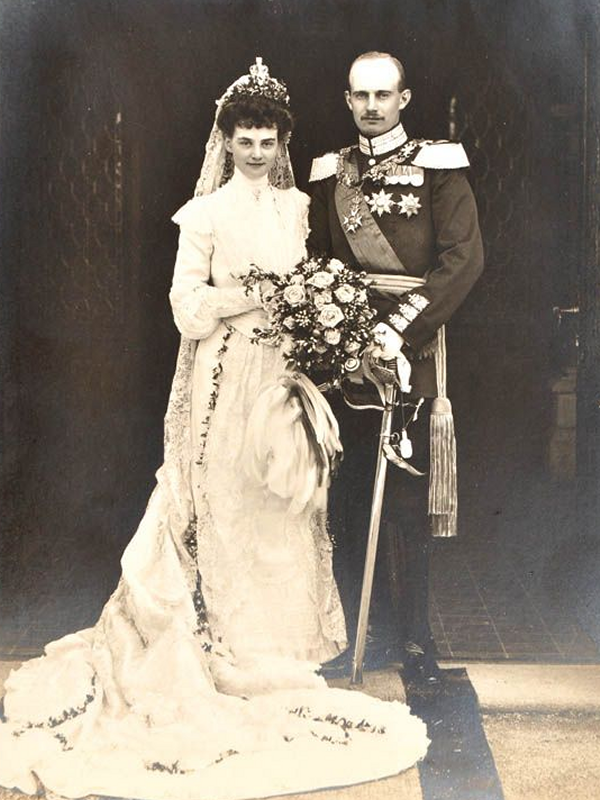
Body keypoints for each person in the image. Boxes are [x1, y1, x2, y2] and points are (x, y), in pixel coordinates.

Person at [0, 59, 429, 800]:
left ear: (283, 143)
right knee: (225, 503)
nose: (257, 152)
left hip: (283, 378)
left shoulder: (300, 208)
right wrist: (249, 297)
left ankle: (280, 649)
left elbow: (316, 282)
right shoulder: (203, 217)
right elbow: (185, 309)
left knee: (283, 503)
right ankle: (225, 649)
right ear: (225, 142)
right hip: (225, 376)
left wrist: (307, 315)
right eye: (245, 140)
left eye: (268, 140)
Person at [308, 51, 484, 683]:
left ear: (404, 99)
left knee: (405, 500)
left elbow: (462, 261)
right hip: (348, 356)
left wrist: (399, 328)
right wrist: (344, 333)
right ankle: (362, 631)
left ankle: (414, 640)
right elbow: (320, 263)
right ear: (348, 100)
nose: (372, 106)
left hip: (412, 348)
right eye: (361, 96)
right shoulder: (331, 174)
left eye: (384, 94)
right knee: (350, 498)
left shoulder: (438, 166)